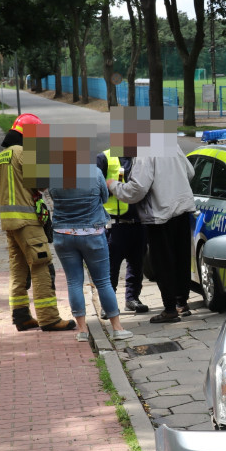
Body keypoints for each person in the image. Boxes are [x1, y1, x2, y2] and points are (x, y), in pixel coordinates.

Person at [0, 113, 75, 332]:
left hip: (9, 223)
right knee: (42, 267)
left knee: (19, 271)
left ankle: (21, 317)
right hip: (27, 220)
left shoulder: (2, 156)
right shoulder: (22, 153)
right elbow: (41, 184)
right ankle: (49, 318)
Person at [50, 150, 134, 344]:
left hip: (63, 235)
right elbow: (104, 199)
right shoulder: (95, 173)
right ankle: (117, 328)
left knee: (74, 282)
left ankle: (82, 330)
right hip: (92, 234)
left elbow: (55, 200)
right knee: (103, 281)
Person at [106, 146, 195, 324]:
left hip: (160, 214)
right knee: (181, 258)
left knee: (163, 262)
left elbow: (136, 190)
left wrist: (113, 185)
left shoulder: (144, 153)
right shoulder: (170, 144)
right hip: (182, 209)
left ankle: (170, 309)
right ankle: (181, 303)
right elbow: (190, 172)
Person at [96, 148, 149, 314]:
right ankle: (107, 305)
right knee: (110, 267)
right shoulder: (104, 158)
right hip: (114, 223)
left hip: (138, 221)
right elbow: (95, 188)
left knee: (137, 264)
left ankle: (132, 298)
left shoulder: (143, 156)